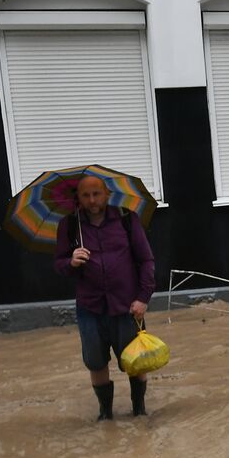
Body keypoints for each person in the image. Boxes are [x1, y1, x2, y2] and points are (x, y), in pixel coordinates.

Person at [54, 175, 156, 421]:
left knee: (136, 360)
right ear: (77, 198)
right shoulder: (69, 226)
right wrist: (71, 261)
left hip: (128, 306)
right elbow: (58, 265)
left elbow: (146, 261)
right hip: (90, 308)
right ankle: (105, 414)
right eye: (85, 195)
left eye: (96, 194)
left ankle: (139, 410)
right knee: (95, 362)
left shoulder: (126, 219)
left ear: (107, 194)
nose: (91, 200)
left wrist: (143, 298)